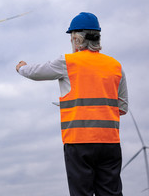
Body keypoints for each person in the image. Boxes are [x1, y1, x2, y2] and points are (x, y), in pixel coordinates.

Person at [16, 12, 128, 196]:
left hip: (78, 142)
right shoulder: (116, 66)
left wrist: (21, 68)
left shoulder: (68, 62)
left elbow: (35, 72)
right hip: (110, 142)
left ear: (76, 38)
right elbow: (122, 107)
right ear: (97, 37)